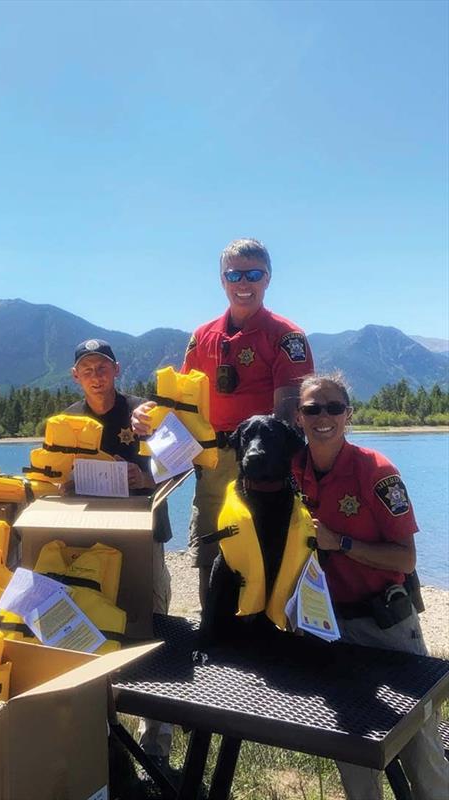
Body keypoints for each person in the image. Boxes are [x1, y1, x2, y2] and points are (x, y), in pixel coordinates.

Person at [133, 238, 314, 607]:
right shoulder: (203, 336)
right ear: (222, 279)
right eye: (234, 274)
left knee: (266, 546)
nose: (243, 283)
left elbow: (289, 418)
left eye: (253, 274)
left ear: (268, 279)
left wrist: (266, 467)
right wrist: (149, 415)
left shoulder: (286, 335)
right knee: (210, 546)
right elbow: (182, 402)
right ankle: (213, 638)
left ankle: (273, 637)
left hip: (264, 463)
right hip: (211, 461)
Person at [293, 372, 448, 800]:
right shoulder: (292, 469)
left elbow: (407, 558)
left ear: (348, 414)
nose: (323, 416)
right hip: (328, 629)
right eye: (312, 409)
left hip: (387, 625)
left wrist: (340, 543)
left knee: (420, 745)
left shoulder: (377, 472)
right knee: (352, 743)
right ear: (298, 417)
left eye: (333, 408)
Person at [66, 338, 174, 767]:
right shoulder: (67, 421)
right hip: (88, 540)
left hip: (145, 537)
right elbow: (49, 473)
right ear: (76, 376)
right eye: (87, 369)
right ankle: (104, 739)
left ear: (117, 370)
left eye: (103, 367)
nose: (96, 375)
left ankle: (157, 746)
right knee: (92, 633)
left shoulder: (144, 412)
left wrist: (146, 477)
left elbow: (182, 463)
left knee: (151, 627)